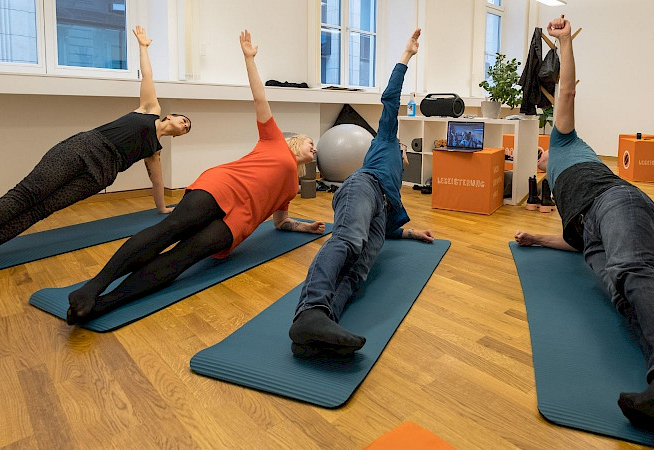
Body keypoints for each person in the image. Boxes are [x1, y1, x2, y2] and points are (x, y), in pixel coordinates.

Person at [514, 17, 654, 432]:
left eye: (541, 153)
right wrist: (537, 237)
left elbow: (567, 90)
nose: (539, 156)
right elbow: (577, 242)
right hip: (589, 230)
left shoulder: (564, 142)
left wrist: (563, 44)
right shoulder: (557, 185)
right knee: (619, 291)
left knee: (634, 270)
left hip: (615, 200)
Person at [66, 30, 324, 325]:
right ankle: (93, 287)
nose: (314, 147)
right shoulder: (274, 139)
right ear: (294, 142)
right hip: (222, 186)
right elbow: (259, 97)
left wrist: (305, 228)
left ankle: (104, 304)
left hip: (239, 221)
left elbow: (280, 222)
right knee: (172, 228)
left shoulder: (292, 186)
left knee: (183, 257)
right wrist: (249, 59)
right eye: (309, 142)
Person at [0, 26, 190, 280]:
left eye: (187, 129)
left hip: (100, 175)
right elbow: (147, 76)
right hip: (82, 148)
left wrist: (162, 208)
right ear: (171, 116)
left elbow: (157, 181)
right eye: (184, 121)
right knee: (26, 195)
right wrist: (143, 48)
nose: (184, 126)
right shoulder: (149, 109)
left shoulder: (154, 151)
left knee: (41, 210)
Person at [288, 29, 435, 358]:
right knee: (348, 240)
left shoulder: (395, 185)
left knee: (357, 273)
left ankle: (318, 332)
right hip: (362, 187)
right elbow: (391, 101)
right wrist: (406, 57)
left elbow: (385, 227)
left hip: (380, 208)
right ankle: (310, 311)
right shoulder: (384, 143)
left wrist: (411, 233)